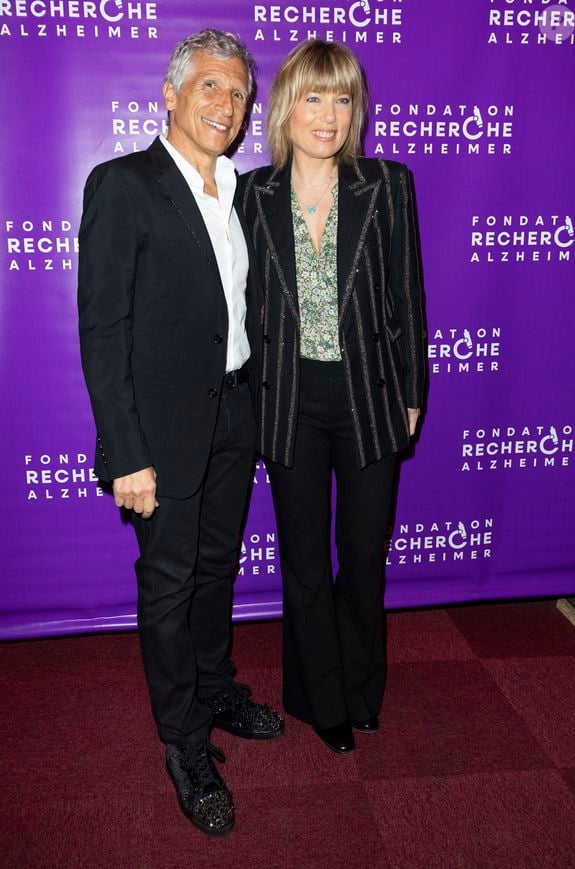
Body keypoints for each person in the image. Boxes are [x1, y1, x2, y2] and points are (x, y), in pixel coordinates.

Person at [78, 29, 283, 837]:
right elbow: (103, 329)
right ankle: (184, 742)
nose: (227, 106)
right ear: (169, 94)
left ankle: (214, 685)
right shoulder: (122, 185)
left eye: (237, 93)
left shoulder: (243, 189)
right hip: (159, 433)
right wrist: (125, 452)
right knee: (168, 586)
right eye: (209, 88)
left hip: (235, 411)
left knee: (216, 566)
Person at [239, 40, 425, 755]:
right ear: (286, 109)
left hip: (370, 396)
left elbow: (408, 295)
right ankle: (322, 697)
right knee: (306, 559)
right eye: (314, 98)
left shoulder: (387, 184)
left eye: (342, 98)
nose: (328, 115)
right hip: (288, 400)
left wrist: (412, 392)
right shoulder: (253, 195)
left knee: (364, 555)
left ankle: (361, 687)